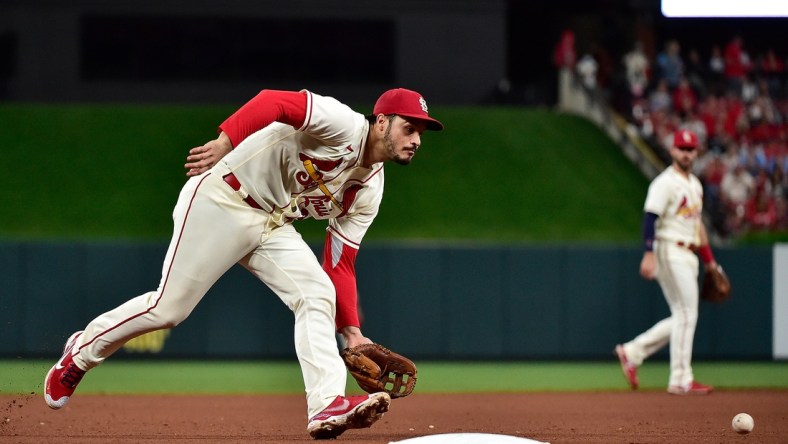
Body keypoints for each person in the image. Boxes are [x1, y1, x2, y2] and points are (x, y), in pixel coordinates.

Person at [43, 87, 444, 439]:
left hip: (272, 223)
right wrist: (224, 141)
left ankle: (327, 405)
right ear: (381, 122)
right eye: (409, 128)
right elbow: (276, 101)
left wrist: (353, 334)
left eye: (420, 133)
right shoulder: (341, 123)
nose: (416, 140)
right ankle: (80, 353)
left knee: (317, 293)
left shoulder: (370, 190)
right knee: (169, 309)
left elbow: (340, 264)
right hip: (223, 198)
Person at [615, 129, 716, 395]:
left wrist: (711, 262)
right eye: (682, 148)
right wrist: (648, 253)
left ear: (696, 153)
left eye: (691, 149)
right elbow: (650, 218)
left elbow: (698, 227)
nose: (686, 153)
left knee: (683, 315)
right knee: (687, 313)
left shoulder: (695, 185)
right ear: (672, 151)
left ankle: (632, 351)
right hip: (669, 249)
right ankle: (681, 378)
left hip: (689, 252)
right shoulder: (664, 183)